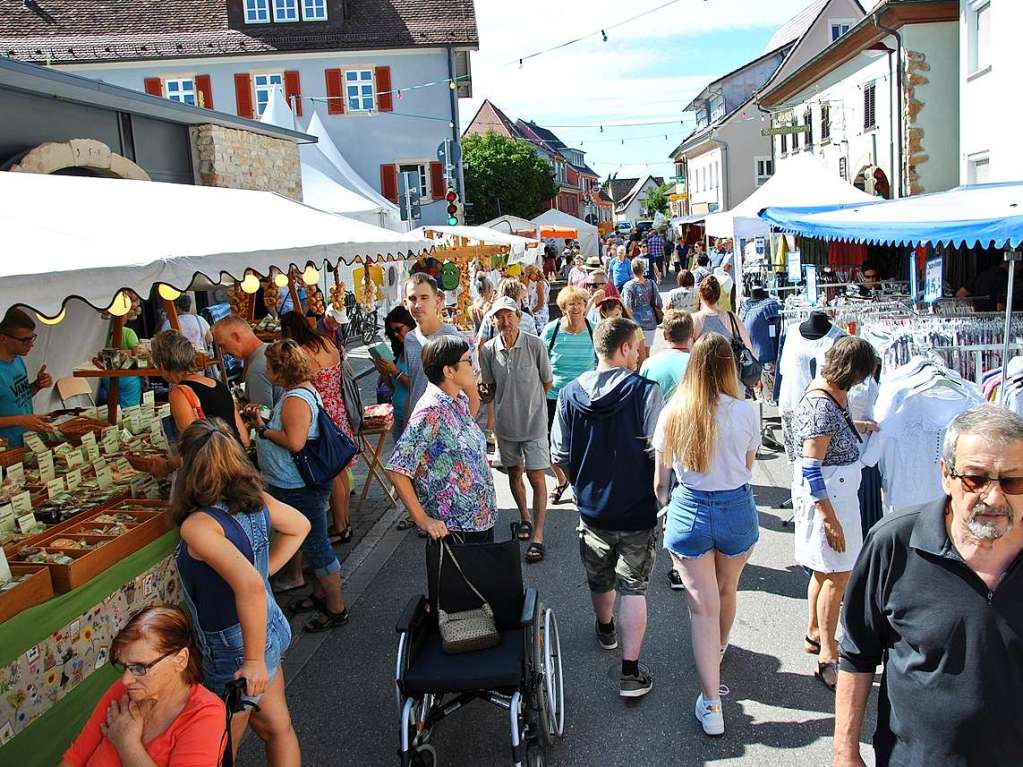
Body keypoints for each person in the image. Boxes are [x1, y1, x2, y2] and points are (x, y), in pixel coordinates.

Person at [835, 404, 1023, 767]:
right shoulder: (894, 543)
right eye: (976, 479)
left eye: (1013, 481)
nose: (995, 498)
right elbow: (857, 652)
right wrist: (845, 753)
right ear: (946, 476)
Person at [173, 420, 307, 764]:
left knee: (217, 748)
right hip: (268, 627)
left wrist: (251, 662)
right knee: (278, 729)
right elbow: (299, 526)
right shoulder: (255, 500)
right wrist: (265, 571)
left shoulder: (198, 525)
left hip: (236, 647)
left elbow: (248, 585)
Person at [653, 333, 760, 736]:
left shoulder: (674, 411)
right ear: (729, 366)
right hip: (735, 507)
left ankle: (712, 704)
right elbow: (748, 467)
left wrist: (665, 505)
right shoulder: (747, 412)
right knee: (727, 589)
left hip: (690, 506)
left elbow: (660, 481)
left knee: (702, 607)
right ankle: (717, 648)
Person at [551, 317, 663, 699]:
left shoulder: (568, 395)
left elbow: (559, 455)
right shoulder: (646, 392)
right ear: (624, 349)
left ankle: (605, 628)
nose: (639, 354)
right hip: (637, 508)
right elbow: (657, 453)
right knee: (634, 588)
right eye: (636, 347)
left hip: (592, 509)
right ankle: (630, 673)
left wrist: (581, 483)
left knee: (599, 577)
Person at [791, 336, 878, 692]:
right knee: (836, 578)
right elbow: (812, 466)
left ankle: (815, 633)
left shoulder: (829, 395)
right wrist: (830, 518)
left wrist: (857, 428)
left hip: (835, 494)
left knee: (825, 572)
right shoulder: (821, 405)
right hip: (830, 499)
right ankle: (827, 655)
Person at [250, 340, 349, 632]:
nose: (266, 371)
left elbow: (295, 442)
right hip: (295, 483)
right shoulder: (299, 393)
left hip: (298, 485)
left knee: (317, 545)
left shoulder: (295, 399)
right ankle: (320, 596)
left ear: (283, 369)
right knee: (311, 541)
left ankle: (336, 608)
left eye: (270, 366)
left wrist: (264, 430)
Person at [61, 606, 226, 767]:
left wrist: (127, 744)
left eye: (139, 667)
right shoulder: (126, 690)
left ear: (180, 660)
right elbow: (75, 758)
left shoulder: (205, 715)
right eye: (125, 666)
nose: (125, 680)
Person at [386, 335, 497, 542]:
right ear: (449, 371)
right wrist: (422, 519)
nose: (474, 365)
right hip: (455, 529)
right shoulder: (431, 411)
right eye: (468, 360)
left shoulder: (458, 400)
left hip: (478, 522)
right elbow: (396, 469)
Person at [479, 297, 553, 562]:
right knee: (514, 472)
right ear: (493, 321)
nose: (505, 321)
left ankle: (539, 535)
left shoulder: (535, 344)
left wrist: (531, 404)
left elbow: (547, 381)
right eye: (499, 317)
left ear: (519, 317)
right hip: (506, 425)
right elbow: (488, 386)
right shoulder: (487, 349)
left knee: (536, 475)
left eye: (509, 315)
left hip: (533, 423)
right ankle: (524, 517)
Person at [279, 311, 359, 547]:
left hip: (322, 415)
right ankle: (344, 522)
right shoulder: (325, 341)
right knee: (341, 471)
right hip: (338, 409)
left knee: (333, 475)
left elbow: (304, 379)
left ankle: (341, 526)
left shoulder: (303, 353)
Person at [540, 286, 597, 505]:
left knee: (583, 444)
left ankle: (579, 485)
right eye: (570, 304)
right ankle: (561, 479)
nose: (575, 308)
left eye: (580, 303)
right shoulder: (551, 331)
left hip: (585, 399)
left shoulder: (594, 329)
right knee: (552, 445)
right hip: (554, 396)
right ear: (563, 307)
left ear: (585, 306)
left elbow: (602, 362)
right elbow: (541, 363)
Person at [402, 274, 480, 425]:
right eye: (412, 298)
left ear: (437, 302)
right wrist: (407, 425)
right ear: (405, 303)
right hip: (418, 429)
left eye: (424, 298)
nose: (417, 305)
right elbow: (413, 387)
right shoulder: (409, 339)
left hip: (448, 430)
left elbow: (472, 395)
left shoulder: (454, 340)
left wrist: (461, 432)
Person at [151, 330, 249, 446]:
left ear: (162, 365)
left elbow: (192, 447)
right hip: (238, 458)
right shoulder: (219, 385)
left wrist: (166, 463)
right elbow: (244, 440)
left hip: (213, 462)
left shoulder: (180, 393)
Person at [0, 307, 53, 447]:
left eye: (32, 338)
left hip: (26, 442)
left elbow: (18, 397)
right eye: (24, 340)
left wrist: (37, 385)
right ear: (3, 338)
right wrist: (20, 420)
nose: (31, 344)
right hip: (6, 451)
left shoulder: (17, 359)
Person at [212, 315, 283, 408]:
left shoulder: (256, 368)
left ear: (236, 337)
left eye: (223, 345)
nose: (223, 352)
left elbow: (263, 416)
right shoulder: (269, 349)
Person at [374, 306, 416, 444]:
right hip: (398, 415)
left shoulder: (418, 349)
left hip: (412, 417)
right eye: (393, 332)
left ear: (409, 325)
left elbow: (418, 386)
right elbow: (394, 388)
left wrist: (396, 372)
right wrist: (385, 373)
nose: (396, 335)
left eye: (399, 329)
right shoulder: (401, 350)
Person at [691, 276, 755, 361]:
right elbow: (748, 345)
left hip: (702, 370)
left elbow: (689, 351)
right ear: (719, 295)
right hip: (729, 370)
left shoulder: (694, 319)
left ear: (700, 295)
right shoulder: (731, 317)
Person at [640, 310, 693, 401]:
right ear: (691, 334)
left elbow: (642, 399)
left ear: (664, 334)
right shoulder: (699, 364)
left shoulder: (648, 364)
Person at [622, 259, 662, 348]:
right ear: (644, 269)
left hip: (636, 322)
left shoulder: (628, 286)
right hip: (651, 321)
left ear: (632, 269)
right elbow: (659, 302)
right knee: (647, 351)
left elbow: (627, 306)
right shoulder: (651, 283)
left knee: (637, 351)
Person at [522, 265, 550, 331]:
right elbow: (547, 299)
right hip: (544, 311)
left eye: (529, 276)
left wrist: (531, 312)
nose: (530, 278)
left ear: (534, 273)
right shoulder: (545, 281)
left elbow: (540, 303)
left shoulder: (539, 284)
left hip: (538, 314)